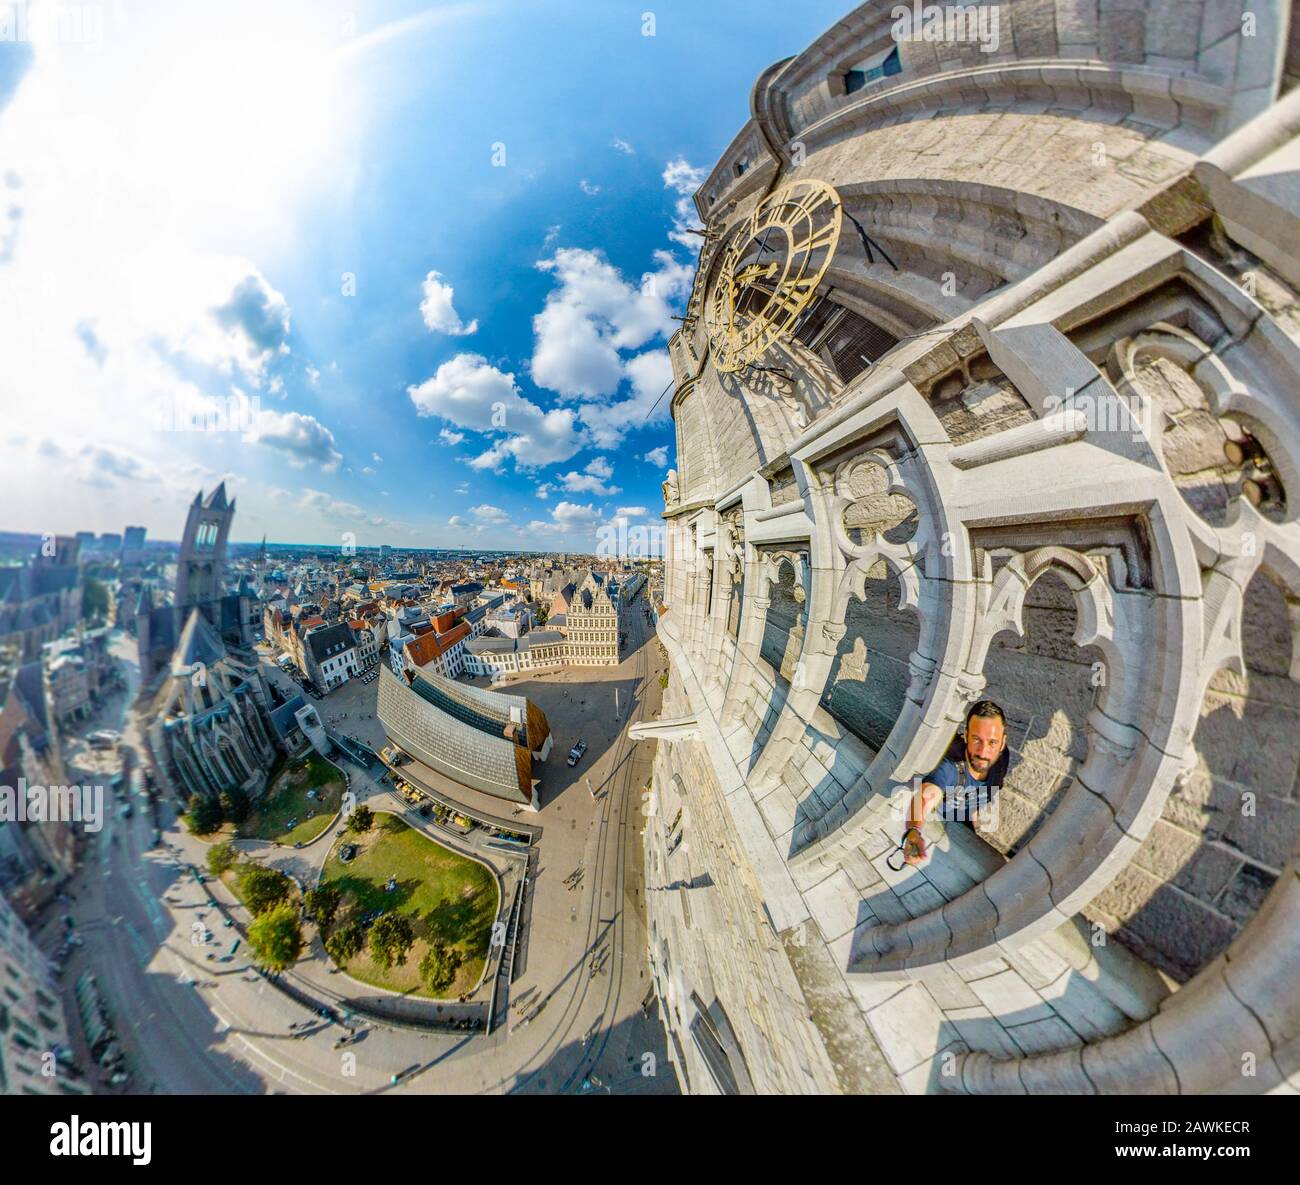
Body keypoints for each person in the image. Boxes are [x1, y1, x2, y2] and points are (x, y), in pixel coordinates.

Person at [901, 700, 1010, 866]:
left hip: (965, 821)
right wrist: (913, 831)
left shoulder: (1002, 758)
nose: (983, 752)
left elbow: (982, 793)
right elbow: (924, 797)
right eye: (976, 739)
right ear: (965, 736)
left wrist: (971, 817)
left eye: (992, 742)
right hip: (942, 827)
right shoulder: (949, 767)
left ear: (1002, 743)